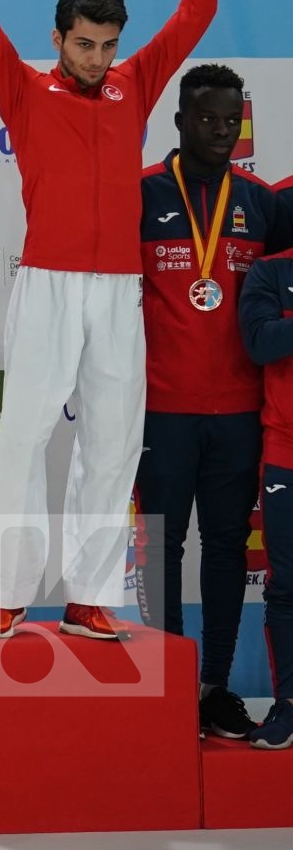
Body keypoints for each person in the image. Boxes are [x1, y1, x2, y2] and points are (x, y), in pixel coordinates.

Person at [0, 0, 224, 640]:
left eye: (107, 45)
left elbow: (194, 13)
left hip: (116, 289)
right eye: (84, 43)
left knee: (113, 441)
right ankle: (4, 590)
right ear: (59, 37)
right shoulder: (24, 90)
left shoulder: (135, 85)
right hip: (48, 285)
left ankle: (92, 593)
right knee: (23, 437)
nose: (97, 58)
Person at [136, 63, 286, 733]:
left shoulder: (261, 203)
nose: (221, 131)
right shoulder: (139, 193)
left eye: (232, 121)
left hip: (239, 415)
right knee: (164, 546)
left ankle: (215, 688)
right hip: (161, 410)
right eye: (207, 119)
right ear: (179, 121)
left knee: (227, 548)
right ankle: (167, 688)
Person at [240, 246, 293, 748]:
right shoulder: (272, 271)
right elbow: (258, 342)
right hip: (286, 452)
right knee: (287, 587)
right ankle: (288, 705)